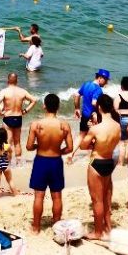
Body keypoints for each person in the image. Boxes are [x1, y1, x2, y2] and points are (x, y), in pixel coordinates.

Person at [26, 94, 73, 234]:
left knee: (39, 196)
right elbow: (70, 148)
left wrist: (37, 146)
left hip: (41, 161)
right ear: (58, 107)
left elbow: (28, 146)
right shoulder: (64, 125)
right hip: (56, 161)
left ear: (44, 106)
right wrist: (58, 151)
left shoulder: (36, 125)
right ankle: (57, 225)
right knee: (57, 196)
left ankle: (36, 227)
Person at [80, 95, 121, 240]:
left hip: (97, 163)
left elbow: (82, 146)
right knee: (106, 198)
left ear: (99, 107)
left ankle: (97, 232)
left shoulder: (96, 129)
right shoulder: (117, 126)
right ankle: (107, 228)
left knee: (97, 200)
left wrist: (91, 136)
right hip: (109, 162)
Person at [0, 73, 37, 164]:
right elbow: (34, 100)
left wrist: (0, 113)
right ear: (17, 81)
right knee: (17, 142)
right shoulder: (22, 91)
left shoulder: (4, 91)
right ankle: (19, 162)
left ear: (8, 80)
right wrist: (26, 111)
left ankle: (8, 163)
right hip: (18, 118)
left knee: (8, 142)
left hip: (8, 118)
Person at [68, 69, 110, 164]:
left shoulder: (86, 84)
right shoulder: (98, 89)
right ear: (100, 78)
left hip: (85, 115)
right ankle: (93, 160)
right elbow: (94, 102)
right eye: (106, 80)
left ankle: (70, 155)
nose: (106, 82)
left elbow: (77, 95)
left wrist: (77, 108)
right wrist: (101, 112)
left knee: (81, 135)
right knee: (97, 138)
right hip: (93, 117)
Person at [0, 128, 17, 198]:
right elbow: (10, 153)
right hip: (6, 166)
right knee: (10, 181)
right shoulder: (7, 146)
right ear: (5, 136)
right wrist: (9, 161)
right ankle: (16, 195)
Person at [113, 76, 128, 166]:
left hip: (123, 119)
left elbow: (115, 109)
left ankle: (121, 162)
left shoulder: (119, 96)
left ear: (122, 86)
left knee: (122, 142)